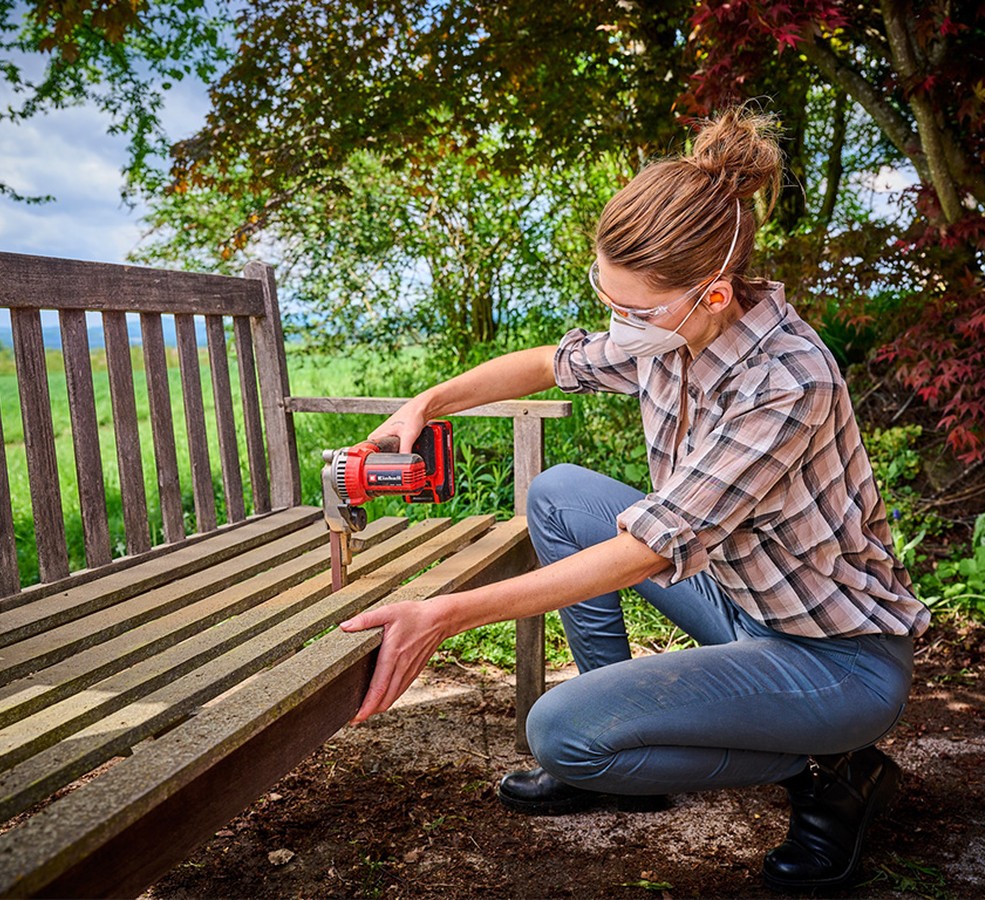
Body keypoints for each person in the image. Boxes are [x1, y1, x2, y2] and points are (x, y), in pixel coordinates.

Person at [339, 106, 930, 893]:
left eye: (634, 311)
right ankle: (629, 769)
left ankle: (836, 770)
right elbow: (549, 363)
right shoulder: (666, 332)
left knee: (560, 731)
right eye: (608, 299)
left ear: (714, 294)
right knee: (558, 494)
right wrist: (427, 403)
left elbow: (651, 549)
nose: (618, 327)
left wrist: (446, 614)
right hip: (744, 602)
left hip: (836, 656)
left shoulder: (787, 382)